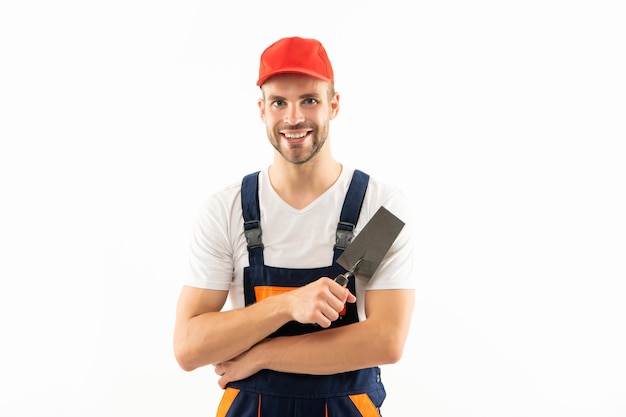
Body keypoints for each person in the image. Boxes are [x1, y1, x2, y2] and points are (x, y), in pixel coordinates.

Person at [173, 36, 416, 416]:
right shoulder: (228, 209)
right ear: (262, 110)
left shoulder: (379, 209)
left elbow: (386, 340)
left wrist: (263, 355)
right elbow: (189, 348)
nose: (293, 118)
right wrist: (288, 305)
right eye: (279, 102)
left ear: (333, 105)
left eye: (309, 100)